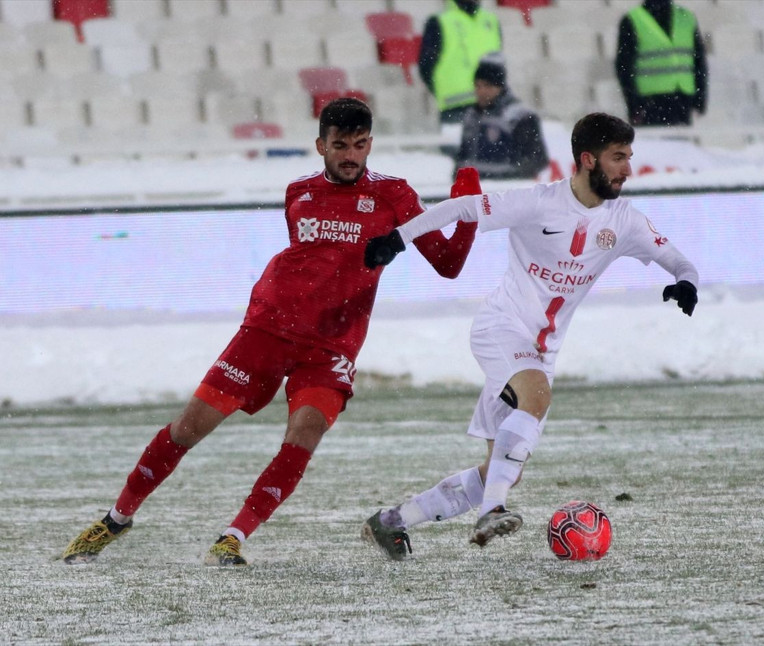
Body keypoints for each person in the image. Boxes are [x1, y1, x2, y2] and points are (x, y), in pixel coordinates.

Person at [62, 97, 481, 567]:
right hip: (270, 328)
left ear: (370, 145)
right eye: (339, 145)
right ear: (320, 144)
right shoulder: (298, 192)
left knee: (303, 436)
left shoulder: (395, 195)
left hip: (332, 345)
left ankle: (232, 537)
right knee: (188, 428)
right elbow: (311, 263)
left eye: (359, 146)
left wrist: (466, 205)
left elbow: (448, 265)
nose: (349, 156)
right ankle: (116, 519)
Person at [361, 112, 699, 559]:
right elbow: (465, 207)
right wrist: (398, 239)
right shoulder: (539, 203)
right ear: (587, 159)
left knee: (499, 468)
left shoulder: (625, 221)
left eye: (629, 157)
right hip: (501, 329)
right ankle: (493, 510)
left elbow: (679, 259)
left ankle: (391, 522)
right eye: (618, 157)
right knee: (535, 398)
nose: (627, 169)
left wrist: (686, 282)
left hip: (542, 352)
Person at [455, 53, 549, 181]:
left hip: (508, 190)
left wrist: (507, 177)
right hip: (476, 194)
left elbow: (536, 160)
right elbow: (463, 159)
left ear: (500, 87)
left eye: (487, 86)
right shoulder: (471, 117)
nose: (481, 91)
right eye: (477, 86)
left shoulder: (520, 117)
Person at [615, 0, 708, 126]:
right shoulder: (633, 19)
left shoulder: (687, 18)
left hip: (682, 99)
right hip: (649, 102)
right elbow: (624, 67)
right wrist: (633, 104)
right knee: (655, 144)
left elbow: (699, 61)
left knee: (681, 144)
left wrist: (700, 98)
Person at [418, 0, 503, 125]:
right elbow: (426, 66)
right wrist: (444, 91)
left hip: (492, 107)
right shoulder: (439, 21)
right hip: (455, 107)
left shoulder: (492, 21)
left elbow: (499, 62)